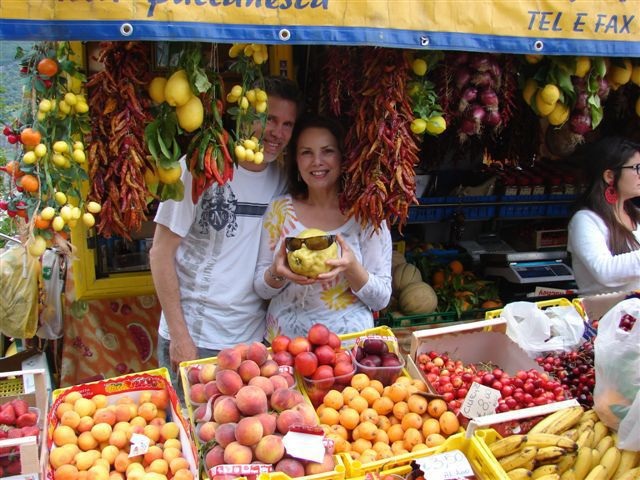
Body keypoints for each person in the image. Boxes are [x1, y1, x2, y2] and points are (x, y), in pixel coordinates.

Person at [150, 76, 302, 389]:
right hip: (196, 338)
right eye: (269, 119)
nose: (278, 132)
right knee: (189, 420)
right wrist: (179, 337)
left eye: (287, 124)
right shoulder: (200, 169)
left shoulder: (282, 180)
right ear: (245, 117)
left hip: (252, 341)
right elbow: (160, 253)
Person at [253, 115, 392, 340]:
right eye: (306, 152)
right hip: (285, 346)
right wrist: (277, 272)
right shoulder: (280, 210)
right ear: (296, 160)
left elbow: (382, 299)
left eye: (327, 151)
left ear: (342, 157)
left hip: (347, 348)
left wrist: (352, 268)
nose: (317, 161)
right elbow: (262, 289)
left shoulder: (366, 214)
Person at [567, 136, 640, 295]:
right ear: (610, 176)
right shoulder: (585, 220)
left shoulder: (635, 214)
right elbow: (604, 271)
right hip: (605, 310)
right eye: (637, 168)